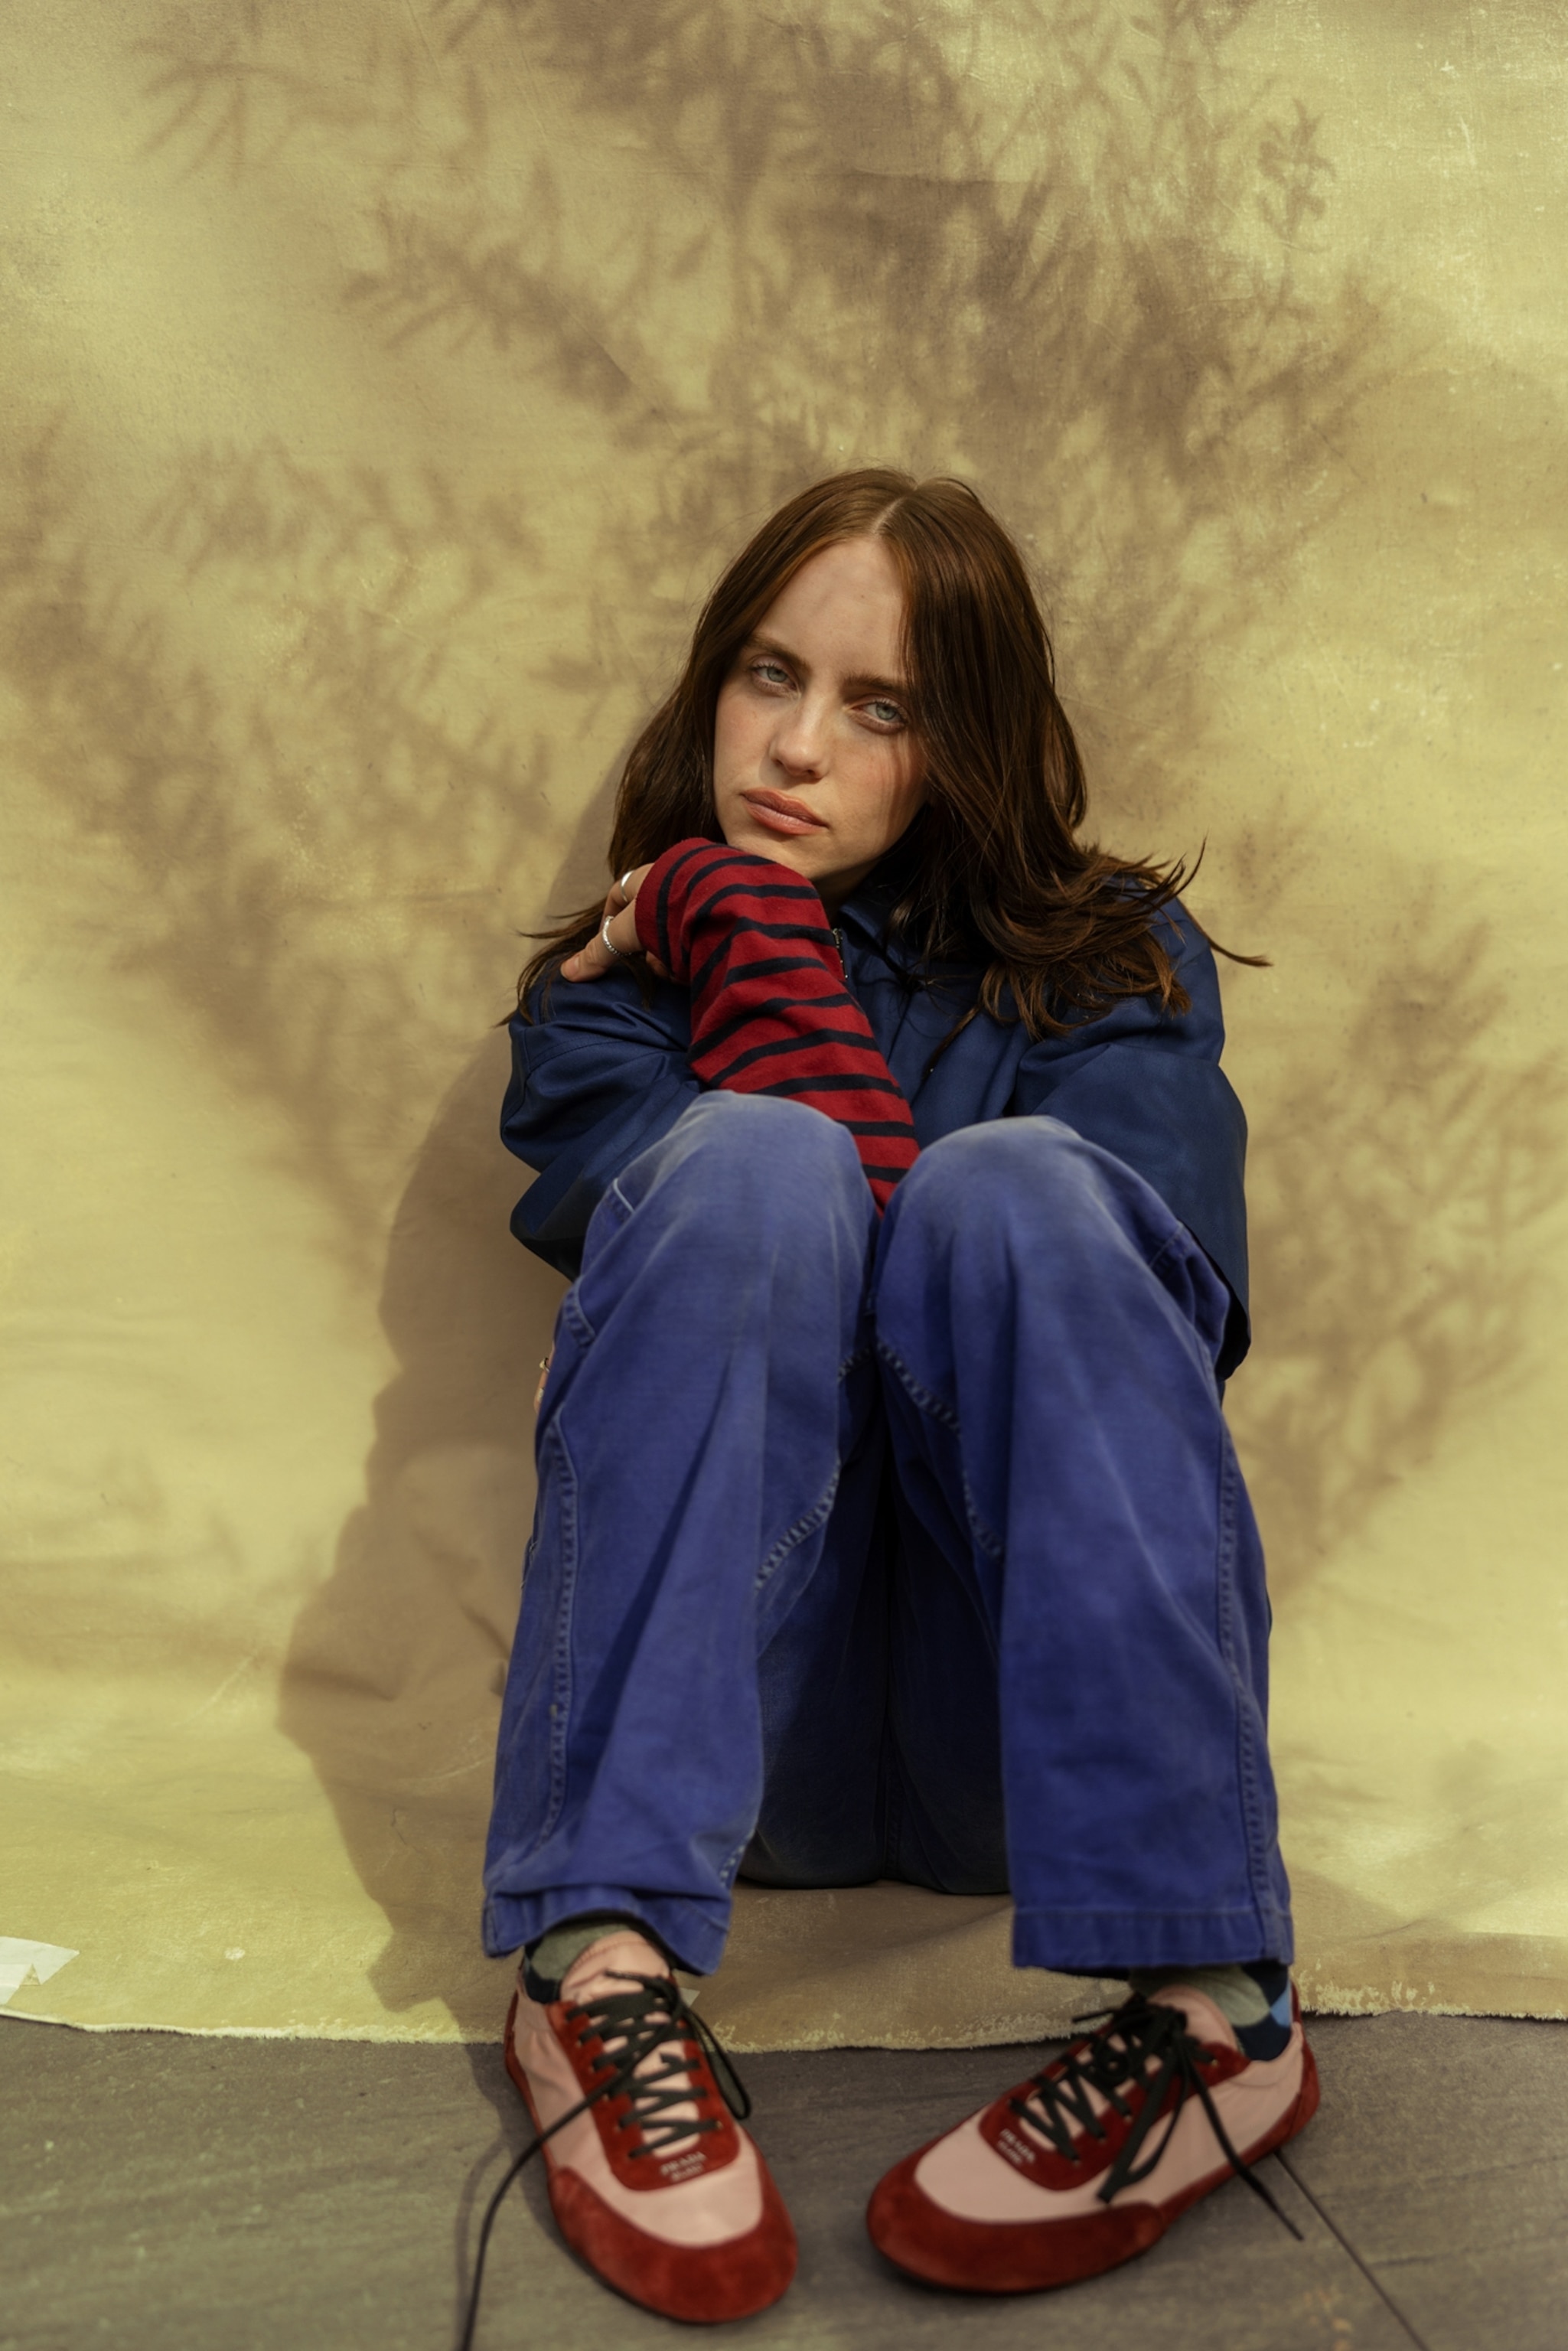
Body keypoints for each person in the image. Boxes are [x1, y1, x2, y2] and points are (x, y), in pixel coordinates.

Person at [477, 469, 1316, 2326]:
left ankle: (1214, 2006)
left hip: (1021, 1737)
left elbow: (1152, 1338)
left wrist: (717, 918)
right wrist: (728, 925)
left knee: (1016, 1191)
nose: (789, 749)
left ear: (966, 743)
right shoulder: (609, 1002)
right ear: (708, 682)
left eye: (879, 706)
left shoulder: (1114, 969)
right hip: (730, 1750)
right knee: (750, 1165)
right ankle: (594, 1970)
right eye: (764, 677)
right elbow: (747, 1259)